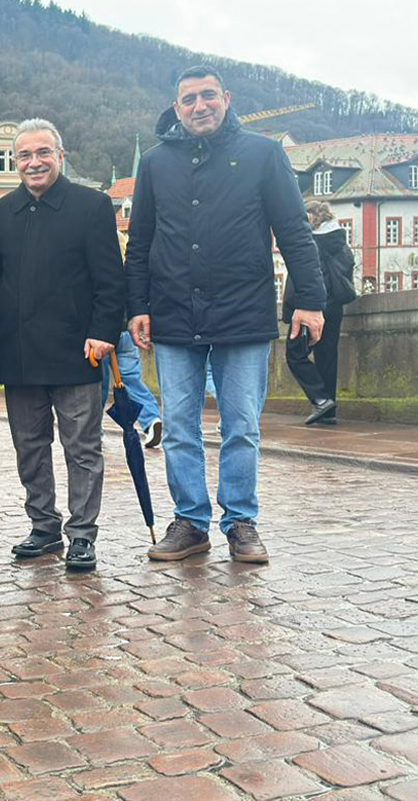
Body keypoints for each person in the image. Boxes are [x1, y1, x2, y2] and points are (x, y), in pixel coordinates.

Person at [126, 66, 327, 564]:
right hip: (173, 311)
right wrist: (138, 306)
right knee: (178, 426)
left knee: (240, 424)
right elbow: (141, 241)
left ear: (226, 98)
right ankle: (191, 523)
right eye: (189, 98)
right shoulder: (154, 163)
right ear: (177, 108)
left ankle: (240, 521)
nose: (199, 105)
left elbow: (294, 229)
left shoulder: (263, 153)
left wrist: (312, 299)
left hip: (243, 311)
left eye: (208, 96)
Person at [0, 119, 126, 571]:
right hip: (19, 353)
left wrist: (105, 332)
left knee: (82, 448)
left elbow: (111, 280)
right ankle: (44, 526)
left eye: (42, 153)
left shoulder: (92, 206)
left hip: (77, 350)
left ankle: (82, 534)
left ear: (60, 156)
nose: (33, 162)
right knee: (29, 447)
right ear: (15, 162)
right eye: (24, 155)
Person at [284, 198, 355, 425]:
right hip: (335, 307)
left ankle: (321, 399)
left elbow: (302, 279)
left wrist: (295, 307)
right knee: (327, 357)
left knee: (295, 354)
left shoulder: (310, 243)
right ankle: (329, 412)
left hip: (312, 305)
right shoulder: (342, 243)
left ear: (312, 216)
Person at [102, 230, 163, 449]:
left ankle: (93, 430)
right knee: (131, 382)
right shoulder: (130, 272)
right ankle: (151, 419)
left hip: (103, 334)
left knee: (96, 387)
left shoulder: (103, 268)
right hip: (128, 334)